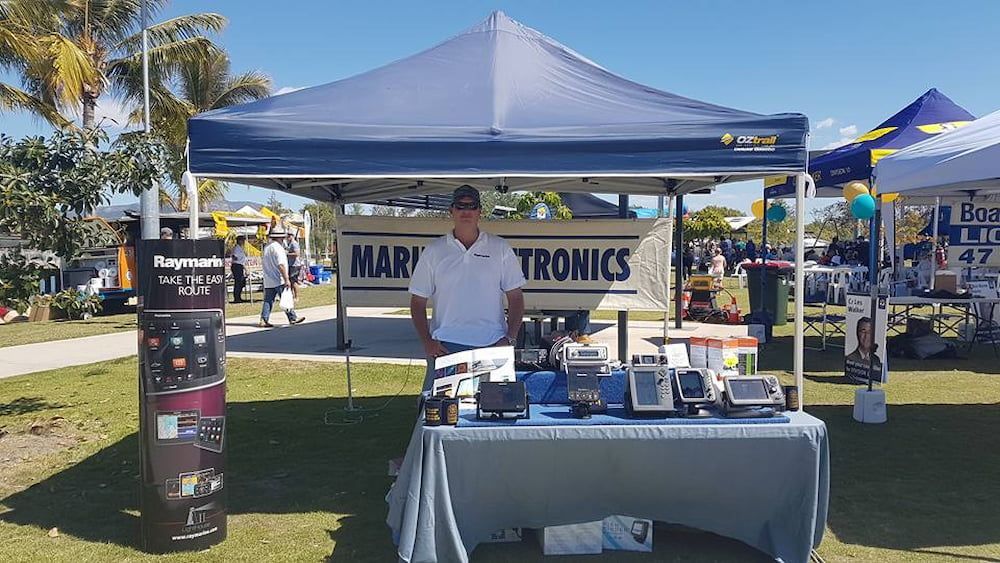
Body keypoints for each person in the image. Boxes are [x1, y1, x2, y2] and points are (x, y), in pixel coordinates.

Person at [409, 185, 526, 390]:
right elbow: (417, 301)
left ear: (480, 211)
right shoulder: (434, 251)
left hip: (492, 346)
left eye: (471, 206)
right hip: (445, 347)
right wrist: (427, 341)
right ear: (451, 211)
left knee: (493, 413)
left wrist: (510, 338)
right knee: (440, 413)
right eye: (460, 206)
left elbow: (516, 297)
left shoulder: (500, 248)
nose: (466, 211)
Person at [259, 227, 305, 328]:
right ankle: (292, 317)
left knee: (268, 300)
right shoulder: (278, 248)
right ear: (281, 238)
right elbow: (281, 265)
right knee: (286, 298)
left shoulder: (267, 247)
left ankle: (264, 319)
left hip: (268, 278)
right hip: (279, 278)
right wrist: (286, 279)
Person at [230, 235, 248, 303]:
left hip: (240, 265)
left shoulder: (240, 248)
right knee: (238, 282)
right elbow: (234, 256)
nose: (243, 242)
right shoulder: (237, 248)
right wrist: (235, 259)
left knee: (241, 282)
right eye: (242, 240)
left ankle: (239, 297)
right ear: (239, 241)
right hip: (236, 265)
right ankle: (236, 298)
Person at [285, 231, 302, 299]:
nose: (287, 237)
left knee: (294, 281)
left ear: (292, 236)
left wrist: (287, 254)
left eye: (289, 236)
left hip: (295, 265)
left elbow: (297, 254)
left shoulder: (294, 244)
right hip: (290, 265)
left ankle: (296, 297)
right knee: (291, 281)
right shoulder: (289, 244)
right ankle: (291, 296)